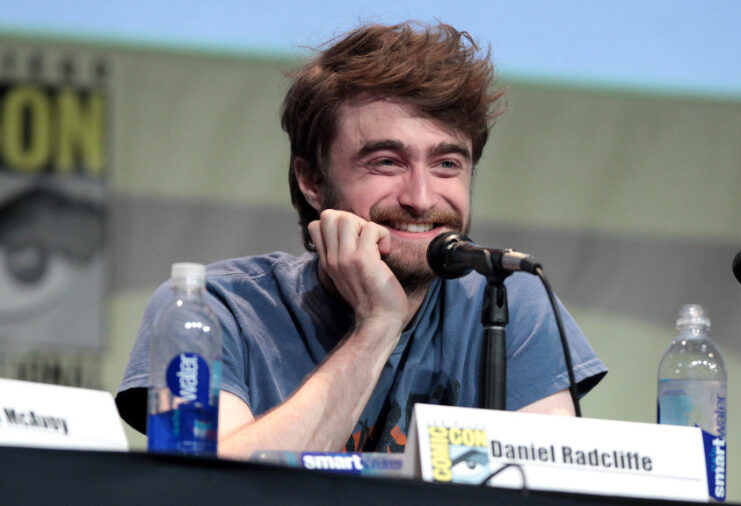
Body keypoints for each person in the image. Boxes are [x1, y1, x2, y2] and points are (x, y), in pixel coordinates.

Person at [116, 21, 606, 459]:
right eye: (386, 162)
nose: (420, 198)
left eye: (447, 165)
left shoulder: (506, 302)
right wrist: (377, 326)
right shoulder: (209, 310)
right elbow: (203, 489)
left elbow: (554, 484)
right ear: (311, 180)